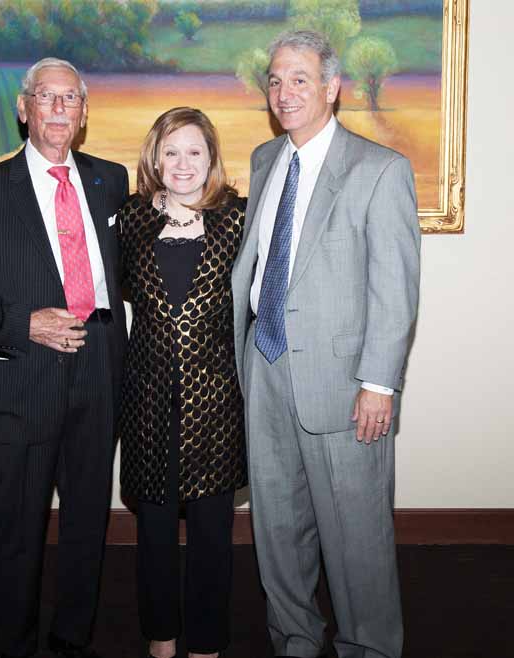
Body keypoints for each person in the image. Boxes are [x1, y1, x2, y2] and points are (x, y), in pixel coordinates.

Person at [232, 31, 421, 658]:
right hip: (265, 367)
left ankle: (369, 646)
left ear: (333, 87)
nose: (284, 93)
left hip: (345, 386)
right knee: (277, 527)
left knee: (356, 537)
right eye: (276, 80)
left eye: (300, 79)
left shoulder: (379, 170)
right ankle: (294, 639)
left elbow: (394, 291)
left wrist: (379, 384)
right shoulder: (265, 160)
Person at [0, 57, 128, 658]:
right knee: (17, 530)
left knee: (85, 527)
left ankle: (72, 639)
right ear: (23, 108)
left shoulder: (111, 181)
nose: (58, 109)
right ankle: (16, 645)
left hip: (99, 369)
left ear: (82, 112)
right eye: (46, 97)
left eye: (70, 98)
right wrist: (24, 323)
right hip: (21, 377)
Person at [118, 107, 247, 658]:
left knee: (214, 536)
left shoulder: (238, 219)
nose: (182, 163)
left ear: (212, 158)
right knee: (154, 533)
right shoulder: (129, 220)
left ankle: (206, 643)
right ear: (154, 158)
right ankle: (161, 638)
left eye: (194, 151)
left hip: (217, 404)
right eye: (171, 151)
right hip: (147, 401)